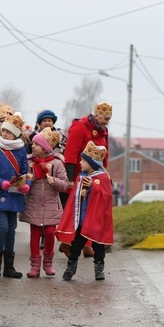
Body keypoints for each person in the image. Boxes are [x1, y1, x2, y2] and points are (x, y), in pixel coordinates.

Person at [0, 113, 30, 279]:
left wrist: (26, 186)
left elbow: (25, 172)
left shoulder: (21, 149)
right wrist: (0, 183)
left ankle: (8, 267)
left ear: (15, 134)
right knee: (2, 227)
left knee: (11, 230)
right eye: (3, 131)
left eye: (8, 132)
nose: (4, 134)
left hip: (14, 194)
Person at [57, 141, 113, 281]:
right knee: (76, 246)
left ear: (92, 163)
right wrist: (81, 194)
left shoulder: (103, 178)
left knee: (98, 247)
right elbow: (74, 197)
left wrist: (93, 188)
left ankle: (99, 269)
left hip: (96, 222)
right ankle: (71, 267)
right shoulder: (80, 177)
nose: (80, 163)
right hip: (82, 221)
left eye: (83, 160)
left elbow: (106, 196)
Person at [63, 101, 112, 258]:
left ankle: (84, 244)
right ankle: (69, 242)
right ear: (96, 115)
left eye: (108, 119)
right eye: (104, 118)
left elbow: (104, 156)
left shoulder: (103, 131)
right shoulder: (80, 127)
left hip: (95, 177)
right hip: (79, 176)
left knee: (92, 212)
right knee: (78, 212)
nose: (106, 122)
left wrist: (105, 176)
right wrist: (70, 179)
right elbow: (71, 153)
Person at [21, 128, 68, 277]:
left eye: (37, 144)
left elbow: (65, 184)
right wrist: (26, 179)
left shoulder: (56, 163)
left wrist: (55, 181)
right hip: (34, 203)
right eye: (33, 144)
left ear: (46, 148)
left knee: (49, 232)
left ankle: (48, 263)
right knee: (34, 234)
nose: (33, 146)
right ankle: (35, 266)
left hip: (51, 204)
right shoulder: (29, 162)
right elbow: (21, 182)